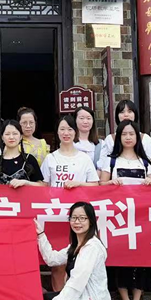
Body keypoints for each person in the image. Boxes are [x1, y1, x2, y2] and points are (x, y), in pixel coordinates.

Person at [27, 202, 114, 300]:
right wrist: (40, 234)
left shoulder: (92, 248)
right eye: (74, 218)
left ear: (91, 221)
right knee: (47, 299)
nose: (77, 222)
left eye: (82, 218)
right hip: (78, 299)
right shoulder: (75, 246)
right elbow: (52, 259)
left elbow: (76, 283)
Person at [101, 120, 151, 300]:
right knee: (120, 258)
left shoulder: (146, 161)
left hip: (141, 217)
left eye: (132, 134)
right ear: (119, 137)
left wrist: (150, 182)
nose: (128, 137)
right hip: (118, 217)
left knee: (142, 259)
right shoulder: (110, 160)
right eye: (124, 134)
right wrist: (110, 183)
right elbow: (100, 184)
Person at [41, 115, 99, 291]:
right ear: (57, 132)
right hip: (56, 217)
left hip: (79, 218)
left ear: (75, 132)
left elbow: (95, 185)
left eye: (70, 129)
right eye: (62, 129)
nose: (66, 133)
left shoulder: (84, 158)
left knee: (80, 262)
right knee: (58, 264)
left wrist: (78, 184)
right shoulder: (51, 158)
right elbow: (43, 186)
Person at [97, 100, 151, 167]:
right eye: (122, 112)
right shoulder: (110, 139)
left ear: (135, 114)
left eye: (130, 111)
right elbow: (103, 165)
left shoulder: (145, 139)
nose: (126, 115)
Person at [0, 120, 44, 187]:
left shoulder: (29, 159)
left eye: (15, 134)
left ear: (21, 137)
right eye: (7, 134)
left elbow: (42, 185)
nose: (11, 137)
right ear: (2, 137)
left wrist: (26, 183)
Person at [73, 106, 105, 171]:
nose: (85, 121)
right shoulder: (70, 143)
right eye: (81, 118)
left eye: (88, 118)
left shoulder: (100, 145)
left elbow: (103, 168)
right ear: (75, 120)